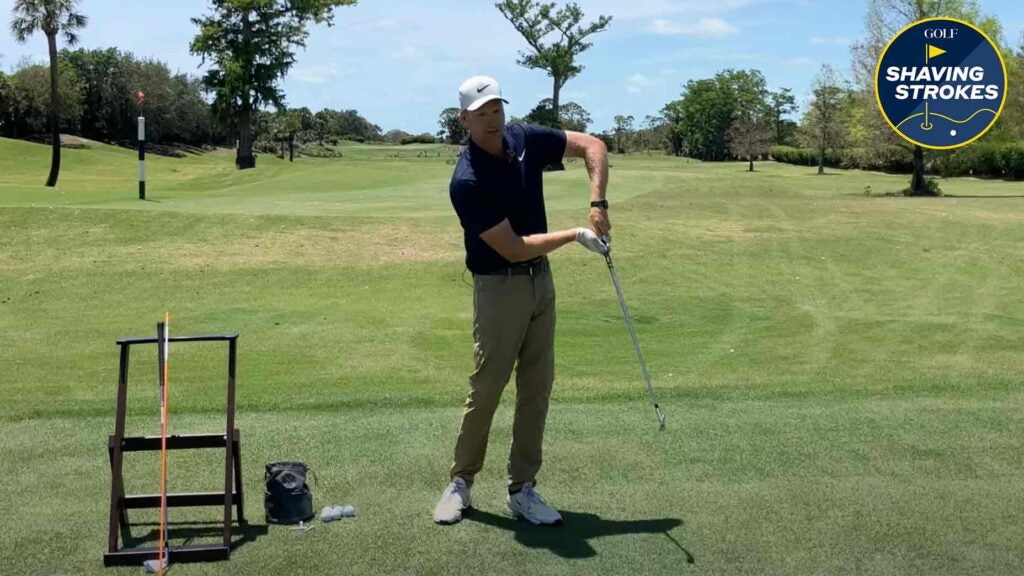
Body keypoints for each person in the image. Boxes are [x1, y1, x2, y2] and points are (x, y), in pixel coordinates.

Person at [433, 75, 611, 526]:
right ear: (465, 120)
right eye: (482, 113)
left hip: (540, 282)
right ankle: (461, 482)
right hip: (499, 285)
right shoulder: (467, 181)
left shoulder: (524, 137)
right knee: (488, 388)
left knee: (537, 387)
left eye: (497, 109)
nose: (493, 120)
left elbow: (594, 145)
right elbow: (512, 248)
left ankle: (522, 489)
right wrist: (574, 235)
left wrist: (598, 203)